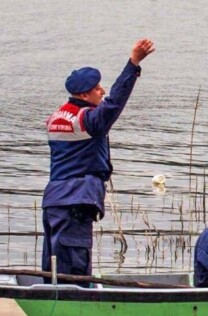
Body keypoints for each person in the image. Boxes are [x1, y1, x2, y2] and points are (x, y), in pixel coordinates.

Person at [41, 39, 156, 278]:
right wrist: (133, 63)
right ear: (84, 94)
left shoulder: (55, 118)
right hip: (75, 201)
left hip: (53, 201)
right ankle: (74, 309)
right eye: (96, 89)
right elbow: (115, 103)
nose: (101, 91)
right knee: (75, 269)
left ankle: (49, 304)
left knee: (53, 265)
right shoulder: (88, 120)